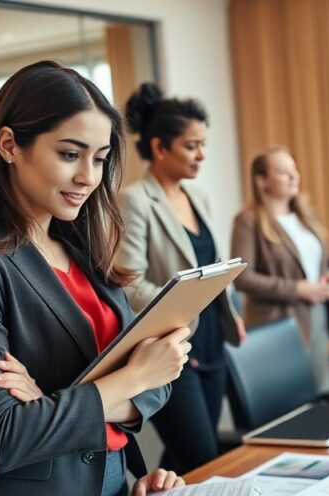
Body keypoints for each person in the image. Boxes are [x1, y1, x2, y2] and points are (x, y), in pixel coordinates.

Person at [0, 61, 188, 496]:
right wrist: (128, 380)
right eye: (69, 154)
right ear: (9, 145)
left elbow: (160, 382)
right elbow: (1, 437)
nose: (88, 177)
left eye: (100, 159)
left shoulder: (82, 250)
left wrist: (50, 400)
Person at [116, 83, 244, 474]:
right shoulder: (135, 200)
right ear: (160, 147)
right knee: (201, 456)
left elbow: (212, 266)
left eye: (203, 144)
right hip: (173, 347)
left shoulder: (197, 198)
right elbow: (129, 284)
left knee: (186, 457)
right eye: (192, 146)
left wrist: (231, 313)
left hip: (212, 341)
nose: (201, 154)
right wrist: (182, 308)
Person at [231, 147, 329, 388]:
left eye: (294, 170)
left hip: (316, 314)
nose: (294, 176)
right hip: (278, 321)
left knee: (317, 388)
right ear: (262, 180)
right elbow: (242, 278)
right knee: (288, 393)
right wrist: (298, 289)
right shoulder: (248, 220)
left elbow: (328, 263)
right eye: (283, 172)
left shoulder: (306, 214)